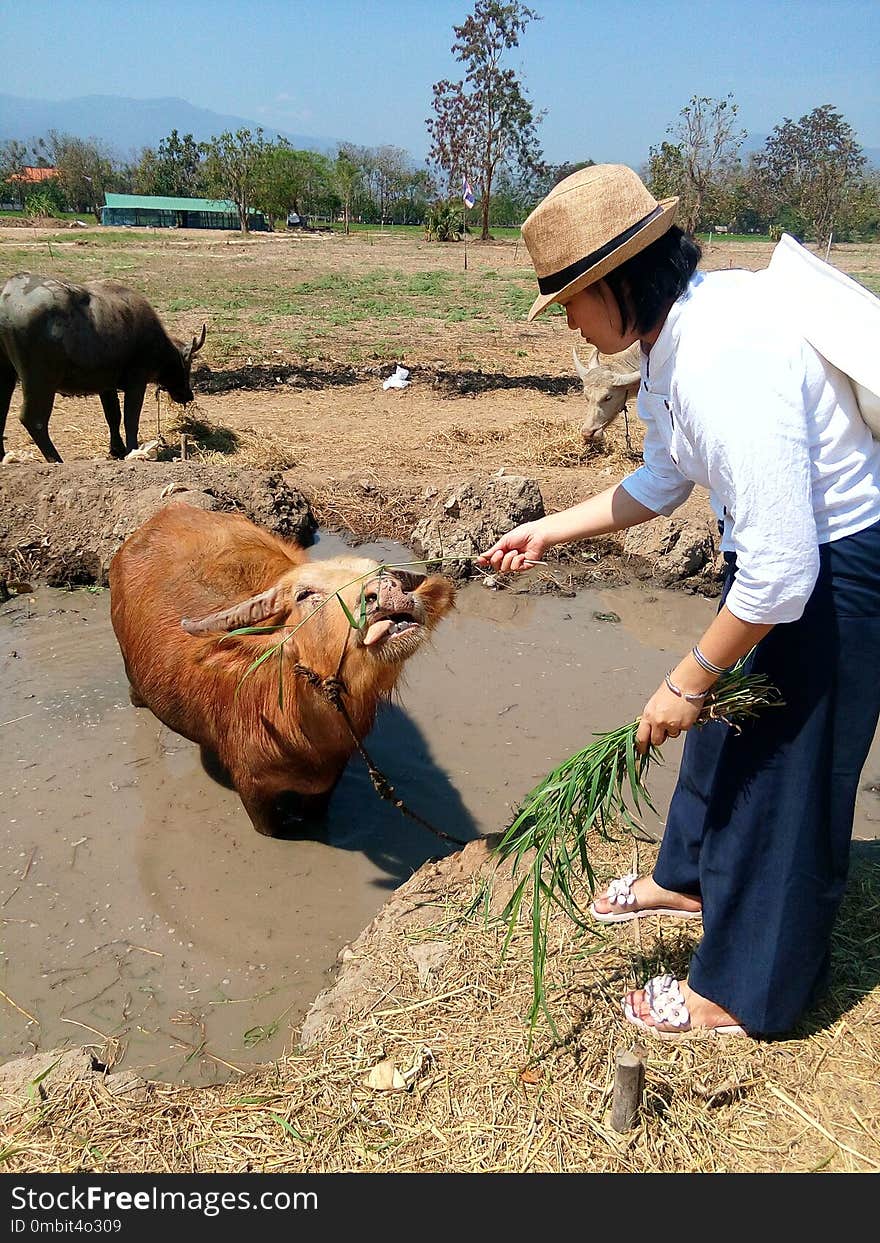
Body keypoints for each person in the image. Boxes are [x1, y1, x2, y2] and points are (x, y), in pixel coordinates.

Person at [479, 164, 880, 1039]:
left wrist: (689, 674)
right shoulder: (669, 341)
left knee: (785, 777)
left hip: (844, 564)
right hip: (789, 558)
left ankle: (743, 993)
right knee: (725, 731)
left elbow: (781, 573)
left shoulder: (720, 357)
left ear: (618, 281)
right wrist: (550, 529)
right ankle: (688, 878)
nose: (576, 325)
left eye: (574, 301)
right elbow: (663, 479)